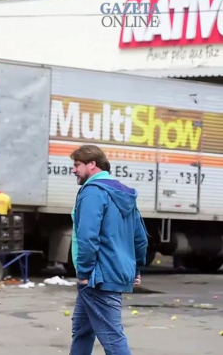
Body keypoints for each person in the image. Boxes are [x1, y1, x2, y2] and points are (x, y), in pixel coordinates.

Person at [69, 145, 148, 355]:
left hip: (98, 278)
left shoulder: (92, 193)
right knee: (82, 332)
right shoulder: (124, 193)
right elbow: (140, 238)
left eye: (77, 165)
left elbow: (87, 237)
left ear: (92, 164)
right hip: (110, 273)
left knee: (112, 337)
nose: (73, 170)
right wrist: (136, 268)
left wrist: (84, 273)